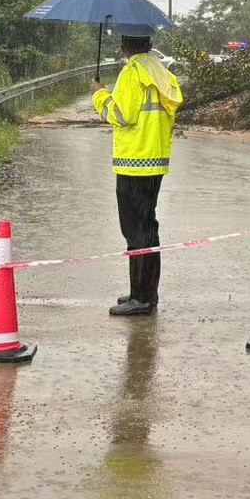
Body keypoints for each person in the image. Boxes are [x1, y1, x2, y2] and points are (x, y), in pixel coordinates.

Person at [92, 24, 183, 316]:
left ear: (123, 47)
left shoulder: (132, 73)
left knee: (135, 230)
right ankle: (144, 293)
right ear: (149, 43)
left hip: (134, 162)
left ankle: (141, 300)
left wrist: (100, 95)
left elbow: (122, 115)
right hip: (155, 159)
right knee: (147, 227)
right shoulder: (161, 72)